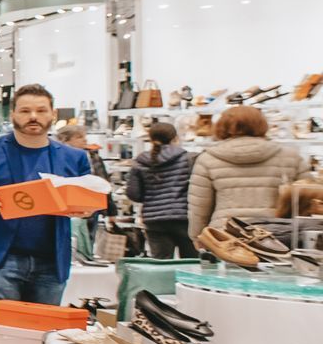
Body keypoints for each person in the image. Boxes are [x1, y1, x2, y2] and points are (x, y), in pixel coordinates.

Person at [0, 83, 91, 321]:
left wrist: (87, 210)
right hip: (1, 256)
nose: (33, 117)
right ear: (13, 114)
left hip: (52, 258)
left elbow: (88, 199)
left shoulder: (75, 157)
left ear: (53, 114)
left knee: (45, 327)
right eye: (25, 111)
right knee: (1, 327)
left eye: (41, 110)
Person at [188, 104, 302, 238]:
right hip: (277, 233)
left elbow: (199, 206)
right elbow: (308, 199)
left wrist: (198, 237)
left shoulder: (208, 159)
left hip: (226, 234)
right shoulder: (290, 156)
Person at [126, 121, 197, 258]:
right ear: (175, 138)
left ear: (150, 139)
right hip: (183, 217)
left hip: (154, 219)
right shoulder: (187, 159)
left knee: (161, 263)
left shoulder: (140, 162)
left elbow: (133, 194)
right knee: (190, 262)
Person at [54, 125, 109, 256]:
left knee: (88, 238)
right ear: (65, 139)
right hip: (68, 205)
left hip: (91, 203)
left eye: (84, 137)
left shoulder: (93, 156)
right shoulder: (58, 157)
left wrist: (109, 209)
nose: (84, 140)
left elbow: (102, 181)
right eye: (79, 137)